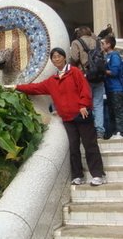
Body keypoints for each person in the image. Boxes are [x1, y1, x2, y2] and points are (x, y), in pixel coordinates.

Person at [7, 47, 105, 186]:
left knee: (90, 145)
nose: (56, 59)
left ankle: (98, 175)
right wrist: (17, 87)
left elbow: (85, 89)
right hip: (67, 119)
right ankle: (78, 176)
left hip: (82, 114)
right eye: (54, 57)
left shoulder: (75, 72)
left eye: (59, 56)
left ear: (64, 57)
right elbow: (35, 88)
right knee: (73, 147)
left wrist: (83, 104)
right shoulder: (52, 80)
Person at [70, 26, 105, 139]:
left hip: (84, 77)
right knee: (98, 104)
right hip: (99, 76)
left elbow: (74, 58)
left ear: (79, 33)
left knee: (86, 104)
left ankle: (90, 130)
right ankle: (100, 130)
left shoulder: (76, 42)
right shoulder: (97, 41)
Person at [101, 35, 123, 138]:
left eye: (103, 43)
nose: (102, 45)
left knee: (118, 111)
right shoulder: (106, 56)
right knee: (111, 112)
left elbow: (114, 72)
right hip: (109, 88)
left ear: (109, 44)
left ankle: (120, 132)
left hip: (116, 88)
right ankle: (115, 132)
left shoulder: (114, 56)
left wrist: (102, 70)